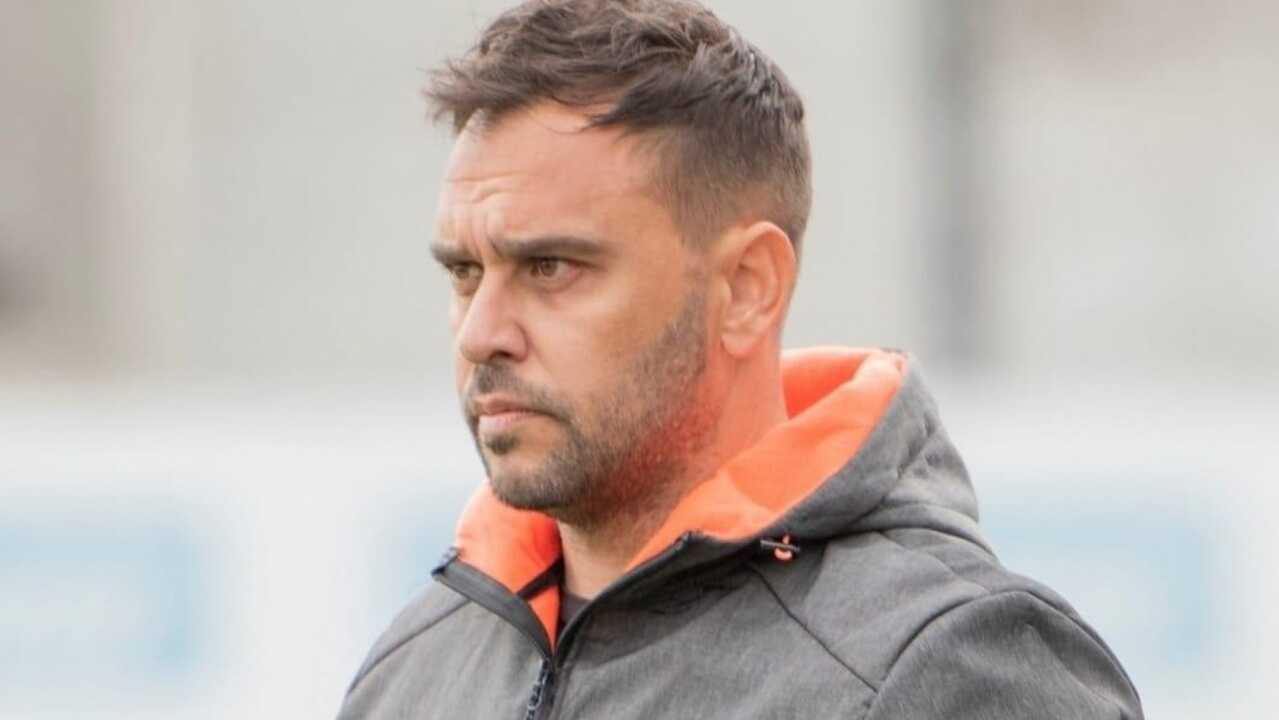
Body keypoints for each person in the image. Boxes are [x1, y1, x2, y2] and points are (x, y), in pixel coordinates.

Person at [338, 1, 1144, 718]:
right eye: (464, 273)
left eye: (550, 268)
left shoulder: (947, 666)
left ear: (746, 288)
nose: (481, 333)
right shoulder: (414, 669)